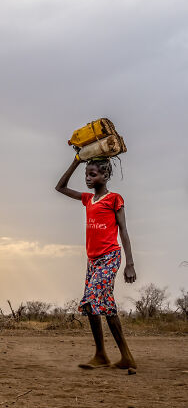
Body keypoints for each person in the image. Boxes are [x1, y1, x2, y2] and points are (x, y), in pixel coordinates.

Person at [55, 156, 137, 370]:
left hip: (110, 256)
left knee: (91, 300)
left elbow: (124, 232)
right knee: (103, 306)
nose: (88, 178)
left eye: (93, 174)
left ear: (105, 175)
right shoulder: (87, 200)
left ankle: (115, 355)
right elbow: (60, 187)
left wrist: (130, 264)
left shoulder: (114, 199)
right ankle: (106, 355)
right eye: (86, 174)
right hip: (93, 260)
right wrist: (75, 161)